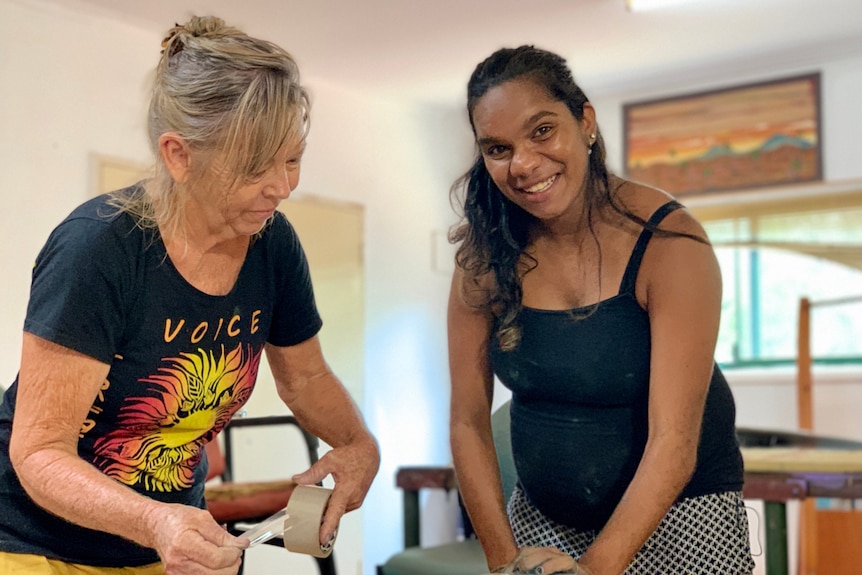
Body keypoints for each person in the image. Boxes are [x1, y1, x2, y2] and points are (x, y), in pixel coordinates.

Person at [0, 15, 379, 575]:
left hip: (169, 538)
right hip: (36, 543)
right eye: (256, 166)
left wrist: (357, 444)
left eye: (292, 158)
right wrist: (156, 521)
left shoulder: (272, 244)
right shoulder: (98, 249)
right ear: (179, 155)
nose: (281, 186)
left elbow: (306, 376)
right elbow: (37, 452)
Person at [447, 46, 754, 575]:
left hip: (682, 527)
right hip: (539, 528)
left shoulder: (669, 241)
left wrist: (594, 568)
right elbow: (467, 423)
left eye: (542, 130)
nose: (522, 164)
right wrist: (503, 560)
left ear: (584, 121)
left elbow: (674, 442)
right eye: (498, 148)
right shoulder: (484, 257)